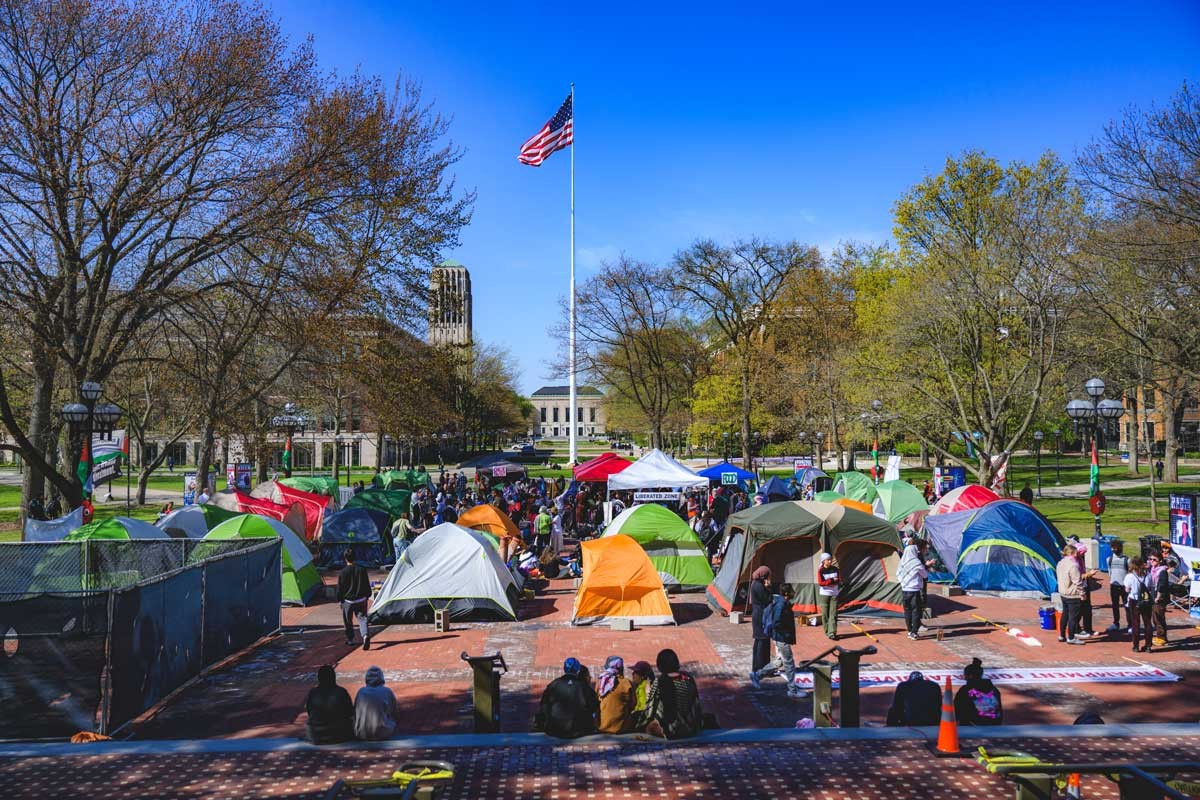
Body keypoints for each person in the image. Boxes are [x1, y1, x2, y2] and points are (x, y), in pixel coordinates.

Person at [750, 583, 801, 696]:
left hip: (780, 637)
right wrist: (786, 634)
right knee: (789, 663)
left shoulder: (782, 602)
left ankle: (757, 675)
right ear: (787, 593)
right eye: (792, 590)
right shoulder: (781, 604)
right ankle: (792, 690)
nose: (794, 592)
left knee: (779, 662)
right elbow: (776, 622)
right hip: (781, 638)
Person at [641, 649, 704, 739]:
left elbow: (650, 708)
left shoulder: (660, 681)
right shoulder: (688, 678)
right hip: (692, 726)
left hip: (672, 729)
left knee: (649, 727)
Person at [533, 657, 599, 739]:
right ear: (578, 670)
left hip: (554, 729)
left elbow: (544, 705)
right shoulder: (583, 686)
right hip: (578, 730)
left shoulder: (554, 684)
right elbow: (594, 706)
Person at [304, 665, 354, 744]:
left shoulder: (313, 692)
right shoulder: (341, 692)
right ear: (333, 677)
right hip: (338, 734)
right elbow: (350, 712)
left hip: (315, 735)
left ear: (319, 678)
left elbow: (309, 711)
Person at [337, 551, 372, 650]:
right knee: (362, 618)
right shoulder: (361, 570)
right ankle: (365, 635)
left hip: (348, 600)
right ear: (355, 558)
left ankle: (350, 639)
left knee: (348, 621)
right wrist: (367, 595)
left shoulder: (343, 572)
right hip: (361, 599)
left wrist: (340, 599)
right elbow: (366, 584)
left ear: (345, 559)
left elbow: (340, 588)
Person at [898, 540, 932, 640]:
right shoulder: (916, 563)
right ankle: (914, 632)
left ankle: (909, 631)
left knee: (907, 611)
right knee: (916, 611)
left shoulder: (902, 562)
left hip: (904, 589)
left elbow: (898, 573)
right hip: (914, 590)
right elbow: (925, 575)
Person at [954, 658, 1003, 726]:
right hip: (995, 724)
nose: (964, 678)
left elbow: (957, 712)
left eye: (965, 675)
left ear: (970, 676)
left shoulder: (965, 691)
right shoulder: (994, 689)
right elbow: (999, 711)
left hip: (974, 727)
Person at [353, 666, 398, 740]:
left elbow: (355, 712)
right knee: (391, 719)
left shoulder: (361, 691)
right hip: (382, 733)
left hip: (361, 734)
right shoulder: (387, 691)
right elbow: (394, 711)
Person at [595, 656, 636, 734]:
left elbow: (595, 701)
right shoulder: (627, 683)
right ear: (621, 669)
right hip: (622, 728)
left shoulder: (600, 682)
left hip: (601, 726)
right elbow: (633, 704)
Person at [1056, 544, 1086, 644]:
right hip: (1073, 594)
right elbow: (1077, 581)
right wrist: (1082, 593)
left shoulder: (1060, 562)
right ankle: (1071, 637)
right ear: (1072, 553)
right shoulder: (1073, 565)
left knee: (1065, 614)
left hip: (1063, 593)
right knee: (1073, 617)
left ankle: (1062, 635)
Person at [1125, 556, 1152, 652]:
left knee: (1135, 623)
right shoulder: (1148, 575)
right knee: (1148, 623)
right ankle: (1148, 646)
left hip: (1134, 600)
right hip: (1145, 600)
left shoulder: (1130, 576)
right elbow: (1149, 587)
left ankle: (1135, 646)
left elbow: (1127, 589)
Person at [749, 566, 773, 673]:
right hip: (760, 615)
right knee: (762, 641)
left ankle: (758, 666)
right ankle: (761, 666)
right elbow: (767, 599)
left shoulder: (755, 583)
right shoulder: (759, 586)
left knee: (759, 640)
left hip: (757, 614)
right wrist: (769, 588)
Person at [1147, 552, 1171, 645]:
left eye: (1154, 560)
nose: (1151, 561)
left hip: (1160, 597)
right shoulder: (1152, 569)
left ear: (1160, 561)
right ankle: (1161, 636)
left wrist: (1158, 597)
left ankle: (1161, 637)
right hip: (1153, 595)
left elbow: (1162, 585)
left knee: (1158, 617)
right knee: (1155, 617)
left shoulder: (1162, 571)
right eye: (1151, 559)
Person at [1107, 540, 1130, 633]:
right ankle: (1116, 623)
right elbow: (1110, 572)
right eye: (1113, 548)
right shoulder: (1109, 559)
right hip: (1114, 585)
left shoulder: (1127, 560)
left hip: (1124, 586)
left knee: (1127, 606)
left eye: (1116, 548)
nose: (1114, 550)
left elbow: (1130, 573)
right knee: (1115, 605)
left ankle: (1130, 624)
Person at [816, 552, 840, 640]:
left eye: (830, 559)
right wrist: (831, 580)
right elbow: (821, 583)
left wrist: (832, 581)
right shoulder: (821, 570)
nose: (830, 561)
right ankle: (826, 631)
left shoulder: (835, 569)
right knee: (825, 614)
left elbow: (838, 580)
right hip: (824, 595)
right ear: (823, 561)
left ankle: (832, 633)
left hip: (834, 594)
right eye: (828, 560)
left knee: (833, 613)